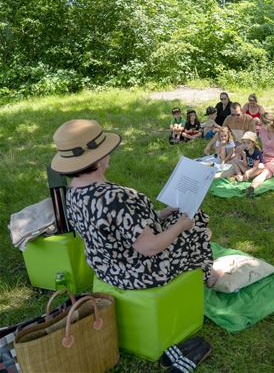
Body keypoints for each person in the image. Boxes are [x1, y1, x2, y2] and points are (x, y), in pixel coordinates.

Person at [50, 119, 215, 289]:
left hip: (108, 269)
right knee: (195, 221)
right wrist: (181, 226)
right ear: (99, 159)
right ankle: (206, 274)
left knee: (185, 218)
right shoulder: (116, 198)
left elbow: (115, 227)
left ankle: (203, 268)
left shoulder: (73, 192)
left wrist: (162, 214)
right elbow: (150, 248)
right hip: (143, 273)